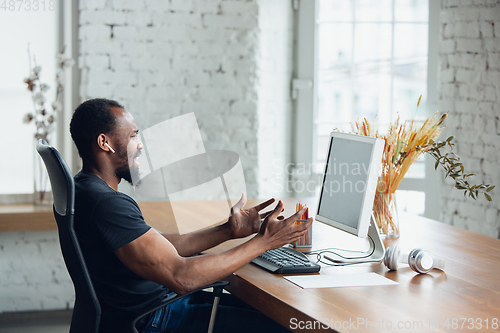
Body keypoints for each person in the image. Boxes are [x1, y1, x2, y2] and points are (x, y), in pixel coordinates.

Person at [69, 98, 313, 333]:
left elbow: (162, 247)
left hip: (156, 306)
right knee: (290, 326)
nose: (140, 144)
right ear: (104, 142)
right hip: (154, 318)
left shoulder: (84, 189)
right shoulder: (106, 204)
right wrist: (265, 242)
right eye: (133, 136)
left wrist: (228, 231)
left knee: (277, 316)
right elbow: (181, 276)